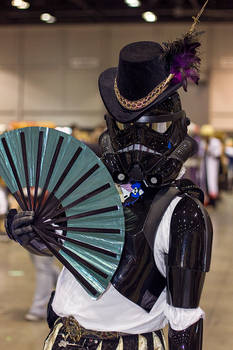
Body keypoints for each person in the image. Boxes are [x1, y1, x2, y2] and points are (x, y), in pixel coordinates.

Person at [4, 6, 212, 350]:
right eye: (125, 127)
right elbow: (56, 244)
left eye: (154, 128)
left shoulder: (183, 214)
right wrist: (26, 230)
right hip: (61, 337)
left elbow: (184, 321)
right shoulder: (87, 191)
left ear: (177, 129)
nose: (138, 145)